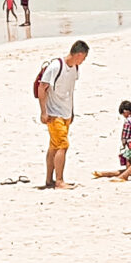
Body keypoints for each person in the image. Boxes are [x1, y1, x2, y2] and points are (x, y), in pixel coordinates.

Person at [33, 40, 88, 189]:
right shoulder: (56, 66)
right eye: (83, 58)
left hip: (65, 114)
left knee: (54, 147)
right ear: (79, 54)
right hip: (53, 113)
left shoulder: (75, 68)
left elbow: (70, 91)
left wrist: (72, 111)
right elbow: (42, 88)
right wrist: (43, 112)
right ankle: (59, 181)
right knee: (63, 145)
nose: (83, 61)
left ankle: (49, 180)